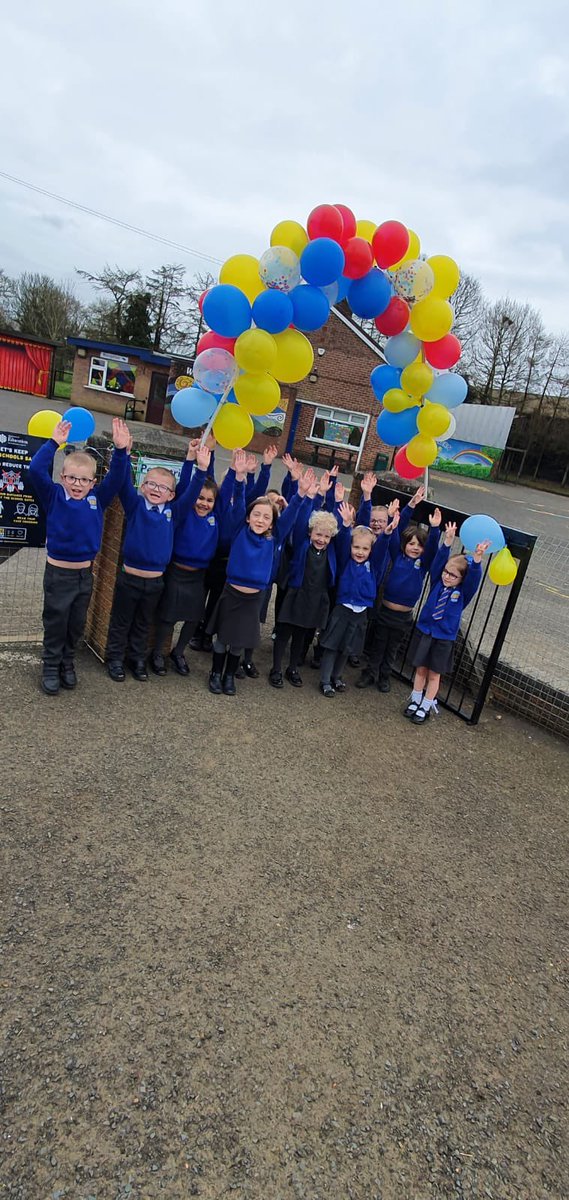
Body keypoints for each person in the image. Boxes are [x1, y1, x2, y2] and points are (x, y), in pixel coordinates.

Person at [27, 416, 130, 696]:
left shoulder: (98, 500)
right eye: (72, 477)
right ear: (63, 477)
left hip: (84, 575)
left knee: (76, 624)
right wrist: (53, 443)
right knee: (56, 622)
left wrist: (121, 451)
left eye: (84, 479)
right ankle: (50, 666)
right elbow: (35, 470)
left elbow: (118, 479)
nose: (77, 483)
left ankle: (67, 664)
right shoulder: (54, 496)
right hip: (58, 574)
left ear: (92, 482)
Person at [207, 452, 312, 696]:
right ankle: (215, 673)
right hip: (231, 593)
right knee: (223, 638)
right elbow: (237, 502)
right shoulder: (238, 531)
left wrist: (301, 493)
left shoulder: (274, 537)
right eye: (256, 514)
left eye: (266, 517)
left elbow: (290, 516)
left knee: (239, 641)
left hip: (253, 598)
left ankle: (230, 676)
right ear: (247, 517)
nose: (261, 519)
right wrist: (239, 476)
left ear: (273, 523)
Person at [105, 441, 211, 683]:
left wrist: (200, 468)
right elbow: (122, 481)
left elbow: (191, 492)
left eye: (163, 487)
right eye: (151, 483)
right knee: (121, 622)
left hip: (154, 583)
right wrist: (124, 454)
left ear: (171, 495)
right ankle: (114, 659)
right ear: (142, 486)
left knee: (144, 624)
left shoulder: (174, 512)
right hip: (129, 579)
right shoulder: (134, 505)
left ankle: (137, 659)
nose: (156, 489)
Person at [149, 439, 236, 677]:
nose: (203, 503)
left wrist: (234, 472)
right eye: (200, 498)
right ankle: (157, 653)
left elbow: (225, 492)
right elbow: (187, 484)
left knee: (191, 619)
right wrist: (193, 460)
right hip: (176, 572)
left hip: (198, 576)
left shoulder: (215, 516)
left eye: (209, 500)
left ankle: (178, 652)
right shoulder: (184, 510)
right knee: (167, 618)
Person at [357, 493, 442, 693]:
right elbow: (393, 534)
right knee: (378, 644)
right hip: (385, 611)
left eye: (419, 545)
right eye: (411, 543)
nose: (415, 548)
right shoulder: (397, 555)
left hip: (404, 616)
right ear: (405, 545)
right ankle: (370, 672)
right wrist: (400, 513)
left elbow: (431, 550)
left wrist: (435, 529)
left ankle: (385, 676)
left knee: (392, 648)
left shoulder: (422, 565)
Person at [404, 526, 491, 724]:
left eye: (453, 575)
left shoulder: (462, 593)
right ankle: (415, 699)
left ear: (461, 579)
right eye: (446, 572)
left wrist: (477, 559)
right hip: (425, 632)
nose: (447, 576)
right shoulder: (437, 582)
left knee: (434, 674)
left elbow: (474, 580)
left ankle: (426, 704)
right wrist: (448, 542)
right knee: (420, 669)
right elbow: (437, 564)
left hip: (443, 638)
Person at [319, 501, 399, 698]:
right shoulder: (346, 560)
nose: (360, 552)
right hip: (342, 610)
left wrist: (387, 534)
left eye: (364, 549)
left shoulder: (374, 565)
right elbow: (344, 542)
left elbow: (381, 551)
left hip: (360, 612)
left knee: (346, 648)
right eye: (356, 547)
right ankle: (325, 680)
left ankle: (337, 677)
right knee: (332, 647)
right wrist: (346, 525)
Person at [269, 504, 339, 689]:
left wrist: (338, 505)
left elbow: (345, 537)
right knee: (284, 633)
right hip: (295, 595)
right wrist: (311, 497)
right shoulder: (301, 544)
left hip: (314, 599)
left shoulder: (331, 552)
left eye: (326, 536)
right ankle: (276, 668)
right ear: (310, 533)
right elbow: (300, 521)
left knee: (301, 635)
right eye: (318, 534)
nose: (321, 539)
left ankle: (292, 668)